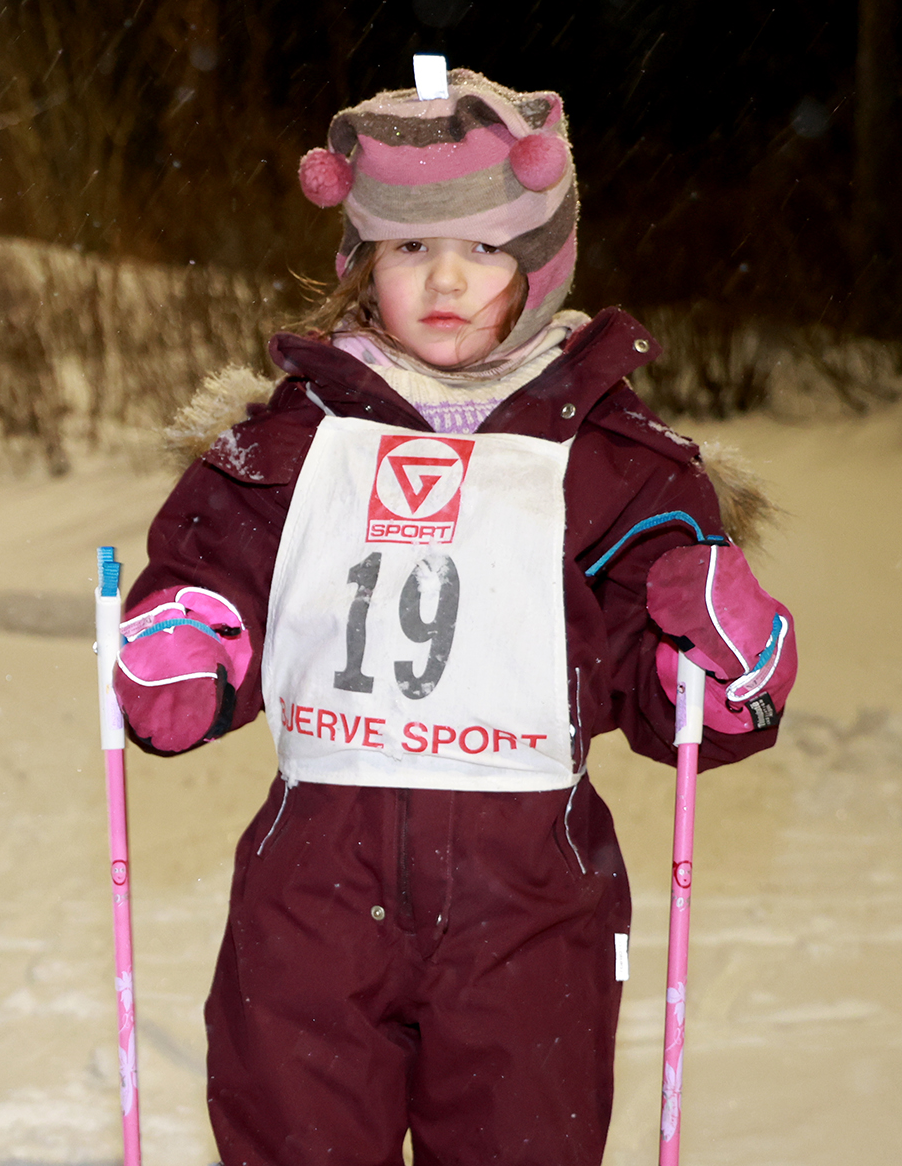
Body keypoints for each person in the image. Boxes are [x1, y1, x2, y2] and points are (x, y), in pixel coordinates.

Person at [111, 69, 796, 1166]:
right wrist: (185, 641)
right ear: (360, 266)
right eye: (406, 249)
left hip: (529, 905)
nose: (443, 279)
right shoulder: (290, 444)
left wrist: (712, 656)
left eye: (484, 250)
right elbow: (210, 573)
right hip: (314, 896)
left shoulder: (609, 462)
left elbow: (674, 687)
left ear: (541, 263)